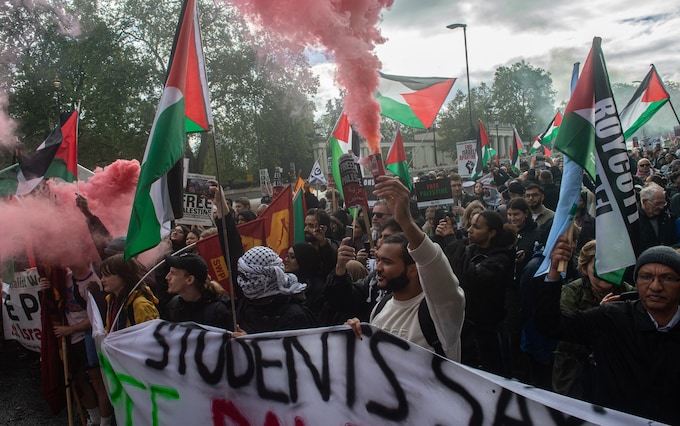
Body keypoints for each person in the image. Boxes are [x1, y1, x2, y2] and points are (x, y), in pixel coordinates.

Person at [536, 241, 680, 424]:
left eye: (667, 278)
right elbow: (550, 325)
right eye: (646, 277)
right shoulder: (612, 317)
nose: (656, 286)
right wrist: (554, 272)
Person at [346, 176, 465, 361]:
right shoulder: (381, 307)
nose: (378, 268)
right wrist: (359, 334)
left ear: (412, 268)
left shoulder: (440, 310)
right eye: (378, 260)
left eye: (387, 262)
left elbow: (431, 261)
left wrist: (405, 220)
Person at [551, 241, 634, 400]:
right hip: (574, 372)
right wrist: (599, 315)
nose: (607, 271)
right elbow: (567, 333)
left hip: (616, 372)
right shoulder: (571, 291)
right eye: (600, 266)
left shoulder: (628, 292)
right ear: (584, 268)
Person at [438, 210, 516, 375]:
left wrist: (452, 240)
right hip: (465, 327)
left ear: (491, 233)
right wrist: (440, 238)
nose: (469, 230)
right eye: (470, 225)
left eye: (476, 227)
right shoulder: (470, 249)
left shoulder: (501, 258)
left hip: (488, 332)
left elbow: (470, 276)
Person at [39, 263, 112, 426]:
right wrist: (46, 288)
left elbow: (97, 319)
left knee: (97, 380)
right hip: (71, 339)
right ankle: (94, 418)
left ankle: (105, 422)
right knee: (78, 379)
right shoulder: (65, 278)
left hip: (89, 339)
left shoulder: (94, 283)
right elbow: (55, 299)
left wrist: (69, 329)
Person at [325, 219, 403, 324]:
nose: (381, 242)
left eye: (389, 238)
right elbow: (343, 300)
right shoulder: (373, 281)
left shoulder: (423, 301)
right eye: (381, 237)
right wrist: (340, 267)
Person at [236, 246, 316, 333]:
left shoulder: (293, 315)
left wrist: (248, 342)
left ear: (265, 278)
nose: (242, 282)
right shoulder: (247, 303)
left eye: (248, 277)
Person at [164, 253, 233, 330]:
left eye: (173, 273)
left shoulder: (218, 311)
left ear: (190, 280)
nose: (167, 277)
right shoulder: (173, 306)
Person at [99, 254, 159, 332]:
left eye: (107, 275)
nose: (102, 280)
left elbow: (150, 336)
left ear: (123, 276)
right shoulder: (112, 301)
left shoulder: (141, 305)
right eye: (102, 275)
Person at [285, 243, 327, 323]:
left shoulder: (317, 288)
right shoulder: (283, 282)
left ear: (303, 259)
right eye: (287, 256)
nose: (286, 260)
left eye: (292, 257)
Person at [637, 183, 675, 254]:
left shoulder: (666, 217)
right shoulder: (634, 220)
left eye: (663, 203)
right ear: (644, 202)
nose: (661, 207)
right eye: (657, 203)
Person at [304, 208, 338, 277]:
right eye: (305, 225)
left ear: (323, 228)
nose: (305, 229)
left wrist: (323, 243)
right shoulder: (304, 249)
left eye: (311, 226)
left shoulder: (335, 248)